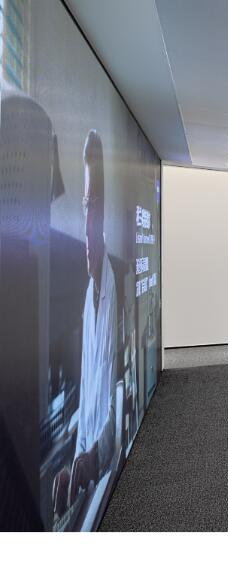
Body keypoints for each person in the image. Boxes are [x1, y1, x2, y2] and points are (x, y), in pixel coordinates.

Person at [70, 129, 117, 507]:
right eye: (84, 205)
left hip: (108, 473)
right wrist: (76, 460)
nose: (87, 228)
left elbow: (117, 393)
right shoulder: (90, 296)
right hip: (90, 471)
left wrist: (94, 455)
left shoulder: (114, 287)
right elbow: (89, 391)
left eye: (92, 205)